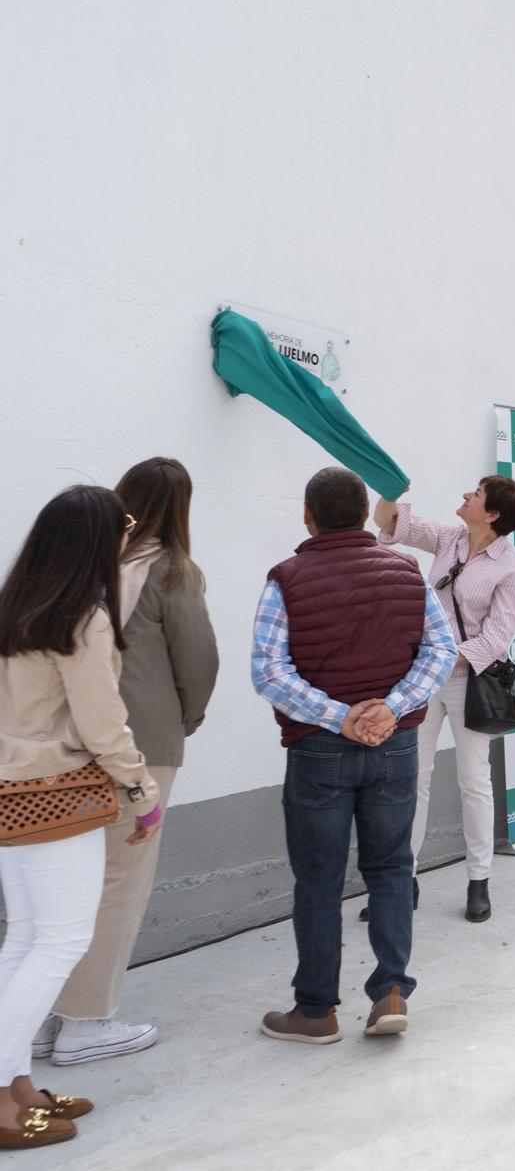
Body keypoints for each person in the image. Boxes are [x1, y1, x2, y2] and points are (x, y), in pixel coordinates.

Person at [253, 467, 457, 1042]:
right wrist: (391, 709)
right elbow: (440, 651)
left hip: (318, 749)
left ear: (307, 516)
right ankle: (391, 991)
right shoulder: (407, 571)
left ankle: (315, 1013)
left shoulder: (286, 578)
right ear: (365, 514)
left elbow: (268, 670)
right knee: (391, 867)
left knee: (318, 880)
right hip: (395, 744)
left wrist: (339, 715)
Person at [37, 460, 216, 1068]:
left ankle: (46, 1017)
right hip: (139, 746)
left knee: (71, 887)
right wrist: (184, 720)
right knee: (120, 883)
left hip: (70, 744)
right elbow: (198, 663)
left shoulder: (90, 563)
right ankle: (86, 1024)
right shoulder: (172, 570)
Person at [0, 486, 163, 1146]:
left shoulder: (17, 607)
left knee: (26, 938)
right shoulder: (83, 616)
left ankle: (18, 1085)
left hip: (11, 791)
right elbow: (103, 722)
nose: (127, 537)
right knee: (59, 941)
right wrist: (142, 791)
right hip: (58, 793)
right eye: (122, 528)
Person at [371, 476, 515, 926]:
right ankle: (404, 880)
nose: (465, 495)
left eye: (476, 495)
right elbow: (389, 520)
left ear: (494, 514)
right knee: (410, 779)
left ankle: (478, 880)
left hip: (466, 682)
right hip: (422, 680)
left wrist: (440, 659)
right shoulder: (448, 538)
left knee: (474, 781)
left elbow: (496, 638)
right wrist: (388, 483)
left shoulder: (512, 567)